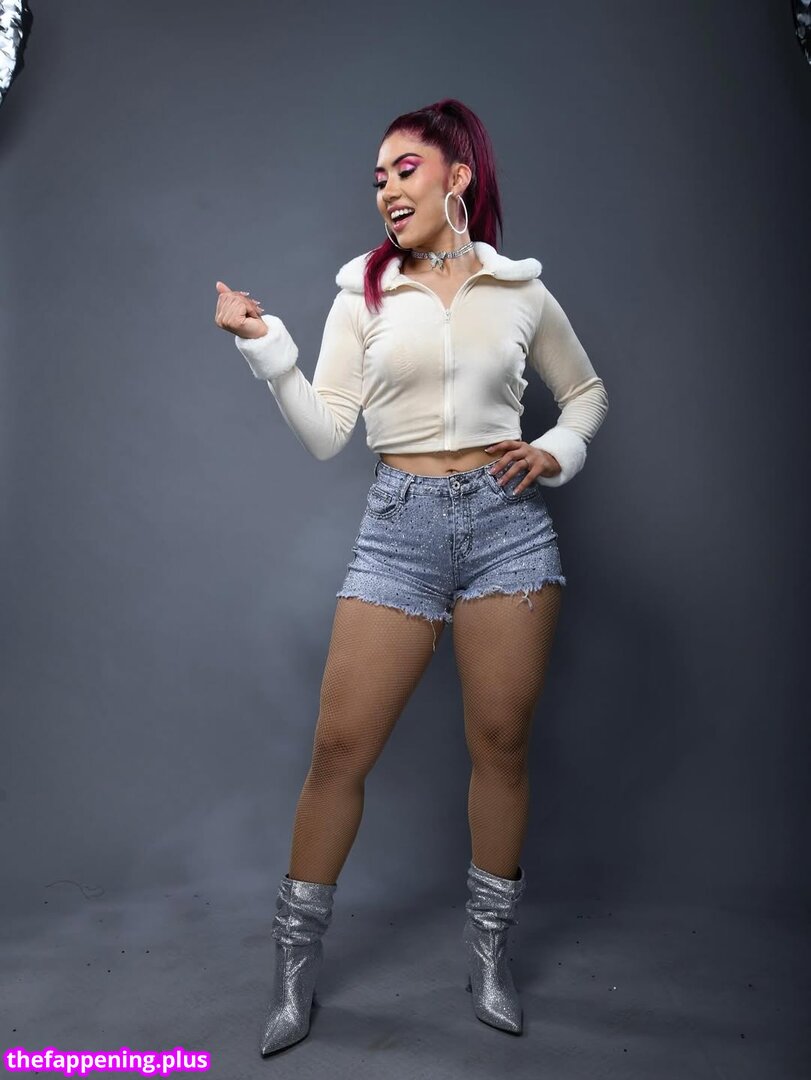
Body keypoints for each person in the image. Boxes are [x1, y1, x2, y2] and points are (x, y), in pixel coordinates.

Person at [214, 98, 608, 1056]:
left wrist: (554, 451)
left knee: (501, 742)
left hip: (508, 529)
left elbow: (586, 393)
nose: (386, 189)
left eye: (404, 169)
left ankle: (488, 956)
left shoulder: (519, 291)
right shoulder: (363, 293)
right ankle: (293, 975)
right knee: (340, 748)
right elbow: (326, 432)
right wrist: (264, 349)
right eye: (378, 177)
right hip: (400, 529)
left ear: (456, 176)